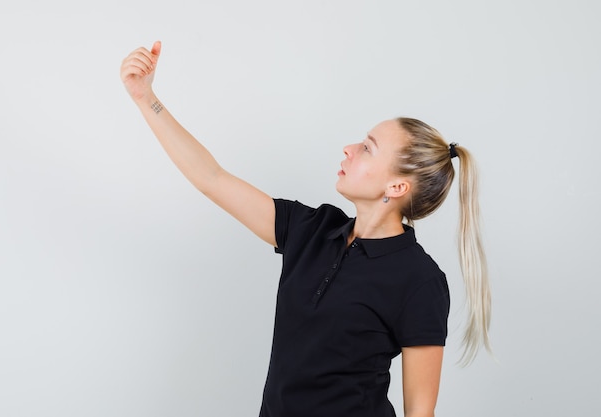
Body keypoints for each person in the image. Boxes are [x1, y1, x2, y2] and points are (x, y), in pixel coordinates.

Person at [120, 41, 491, 417]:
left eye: (367, 148)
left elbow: (420, 414)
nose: (348, 148)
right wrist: (145, 96)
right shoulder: (313, 230)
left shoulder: (419, 280)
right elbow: (211, 178)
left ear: (396, 188)